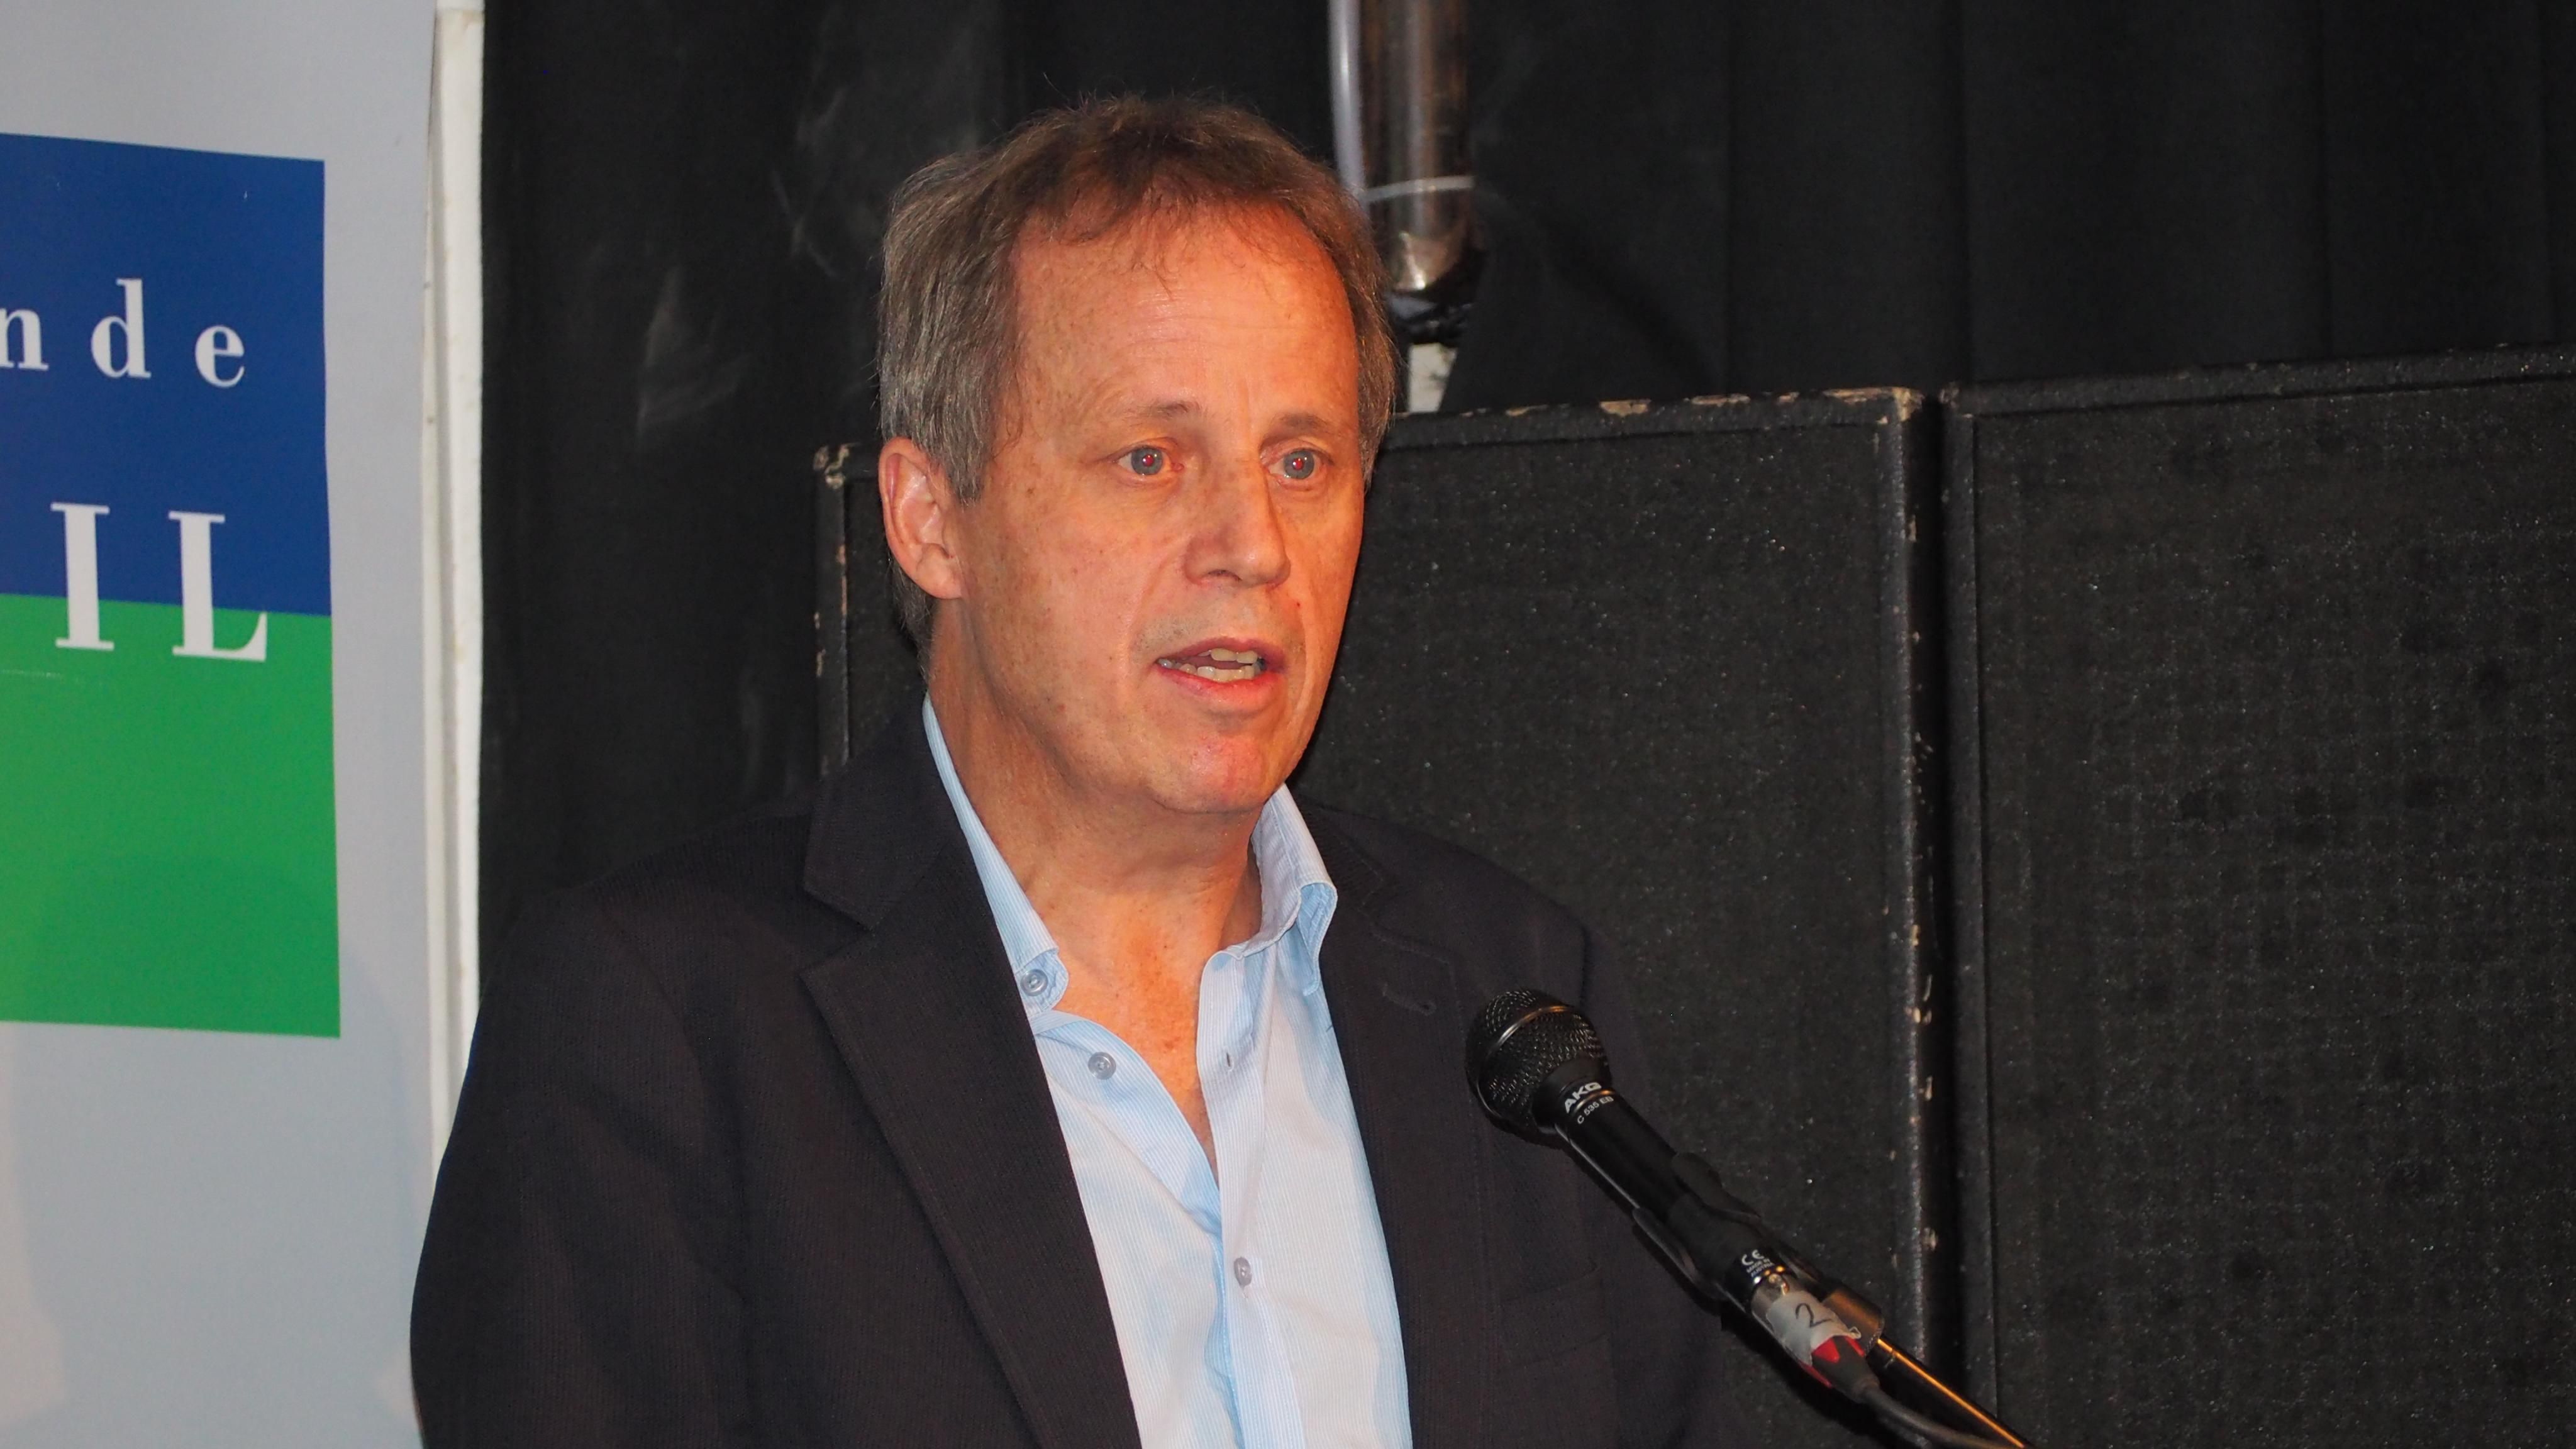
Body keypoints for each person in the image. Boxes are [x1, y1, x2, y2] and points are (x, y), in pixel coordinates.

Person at [411, 96, 1745, 1448]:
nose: (1253, 545)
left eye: (1302, 461)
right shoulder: (664, 1028)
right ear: (930, 520)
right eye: (1148, 459)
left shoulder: (1510, 1000)